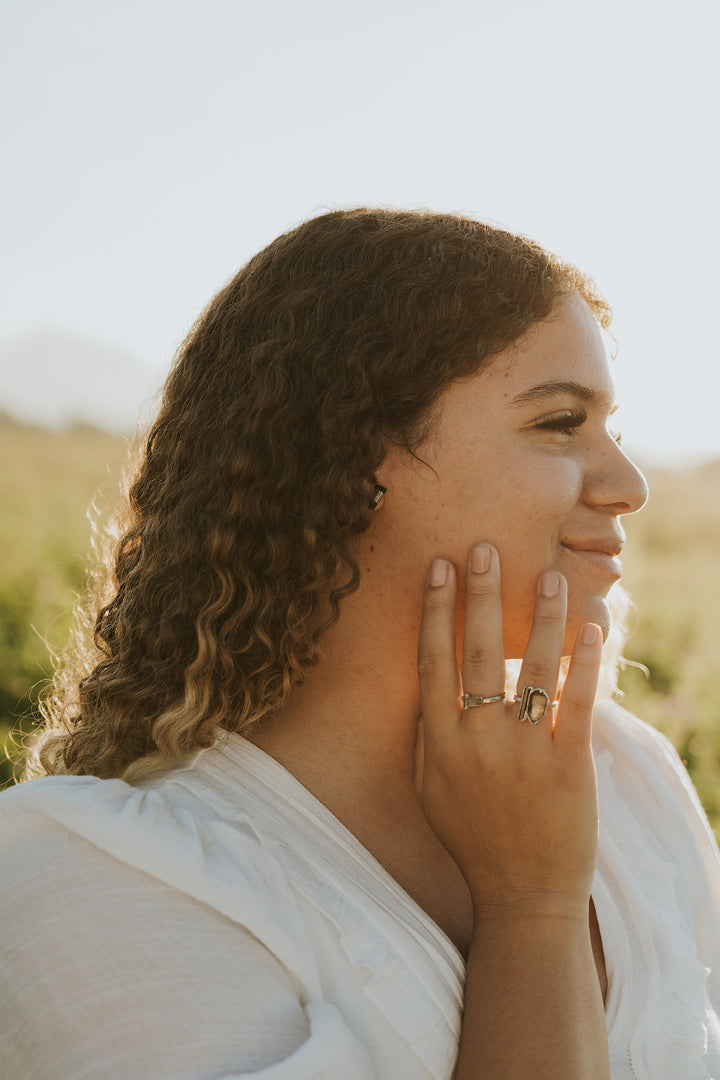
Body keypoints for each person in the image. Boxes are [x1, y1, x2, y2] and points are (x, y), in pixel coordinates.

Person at [1, 208, 718, 1080]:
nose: (629, 484)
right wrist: (532, 906)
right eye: (560, 423)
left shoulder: (627, 775)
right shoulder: (87, 882)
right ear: (348, 464)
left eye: (612, 428)